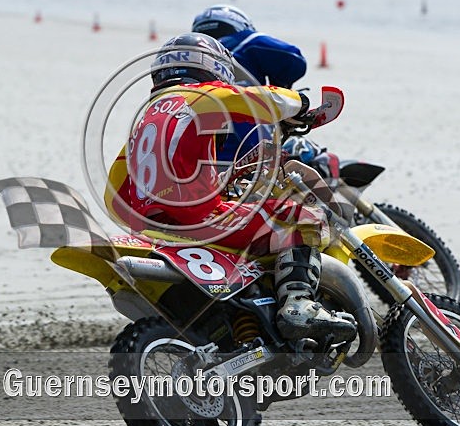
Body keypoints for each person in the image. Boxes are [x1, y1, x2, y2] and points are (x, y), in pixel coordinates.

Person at [105, 33, 355, 344]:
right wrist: (302, 104)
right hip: (201, 219)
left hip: (153, 229)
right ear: (211, 66)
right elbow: (265, 100)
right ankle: (299, 307)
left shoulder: (144, 121)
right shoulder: (202, 95)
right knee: (307, 218)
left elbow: (113, 195)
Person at [191, 4, 308, 164]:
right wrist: (282, 88)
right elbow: (294, 59)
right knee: (312, 157)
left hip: (197, 155)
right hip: (249, 145)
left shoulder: (189, 57)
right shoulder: (245, 41)